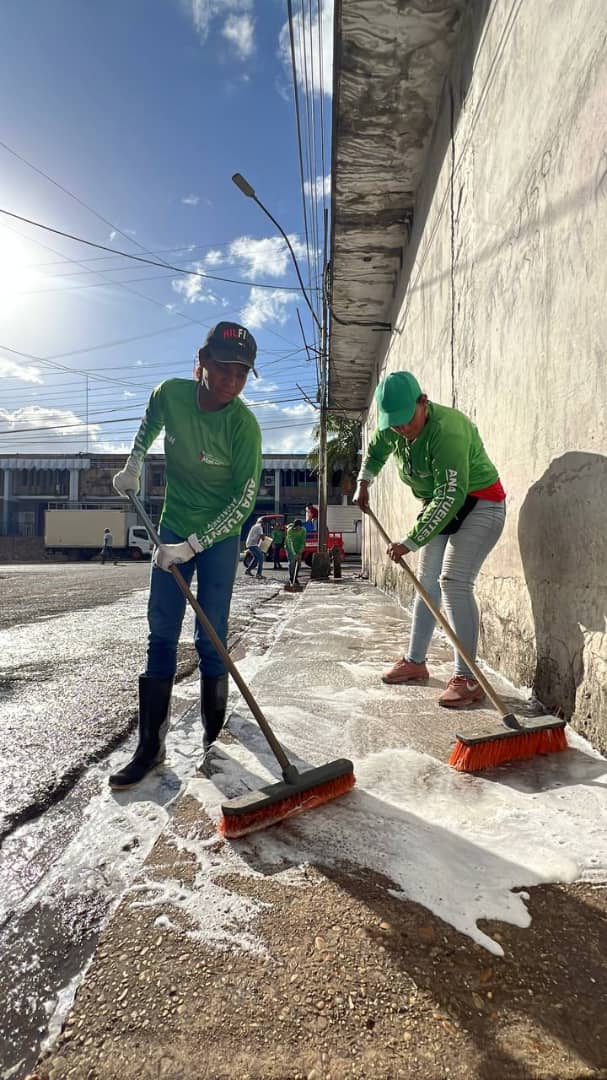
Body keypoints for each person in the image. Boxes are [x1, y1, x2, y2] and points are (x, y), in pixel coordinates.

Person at [108, 321, 262, 789]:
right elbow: (150, 421)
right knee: (162, 631)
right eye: (224, 368)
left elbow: (244, 500)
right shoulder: (171, 395)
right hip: (173, 522)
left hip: (219, 535)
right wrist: (134, 463)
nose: (232, 381)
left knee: (211, 633)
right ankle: (150, 746)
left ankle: (214, 740)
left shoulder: (243, 426)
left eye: (242, 373)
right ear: (202, 362)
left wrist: (193, 545)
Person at [354, 370, 506, 708]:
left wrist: (409, 540)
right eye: (395, 424)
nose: (403, 430)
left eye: (407, 421)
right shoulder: (392, 430)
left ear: (423, 403)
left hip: (480, 504)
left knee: (453, 582)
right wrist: (364, 482)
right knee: (425, 583)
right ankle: (415, 662)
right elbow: (377, 450)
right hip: (438, 505)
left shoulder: (447, 430)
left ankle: (467, 678)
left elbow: (450, 496)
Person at [285, 519, 306, 587]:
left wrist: (299, 552)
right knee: (292, 563)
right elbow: (290, 543)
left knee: (298, 564)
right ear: (294, 526)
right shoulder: (290, 530)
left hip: (298, 548)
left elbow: (303, 542)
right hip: (290, 548)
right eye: (297, 527)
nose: (298, 528)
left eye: (299, 527)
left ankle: (295, 577)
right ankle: (291, 578)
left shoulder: (303, 530)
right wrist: (294, 554)